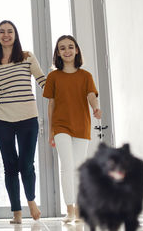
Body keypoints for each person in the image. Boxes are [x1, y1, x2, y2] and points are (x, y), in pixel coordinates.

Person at [0, 20, 46, 223]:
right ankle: (17, 212)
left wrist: (63, 88)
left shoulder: (27, 57)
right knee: (9, 166)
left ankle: (31, 200)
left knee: (27, 164)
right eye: (2, 31)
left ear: (15, 34)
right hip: (2, 120)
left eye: (10, 31)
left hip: (28, 118)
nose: (6, 35)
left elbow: (42, 81)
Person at [43, 34, 102, 223]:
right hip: (61, 125)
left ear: (76, 50)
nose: (67, 51)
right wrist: (51, 130)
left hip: (81, 125)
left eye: (70, 47)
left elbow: (91, 95)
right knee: (67, 166)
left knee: (77, 168)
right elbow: (51, 105)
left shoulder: (86, 76)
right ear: (58, 53)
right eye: (62, 48)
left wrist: (96, 108)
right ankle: (70, 210)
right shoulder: (53, 76)